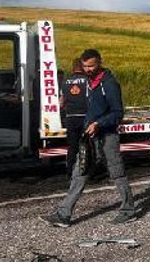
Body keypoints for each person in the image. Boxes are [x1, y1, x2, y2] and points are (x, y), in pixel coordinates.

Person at [40, 49, 136, 227]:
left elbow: (118, 113)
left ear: (100, 62)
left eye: (91, 66)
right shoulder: (90, 82)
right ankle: (64, 214)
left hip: (107, 135)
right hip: (90, 135)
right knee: (80, 170)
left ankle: (128, 210)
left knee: (116, 171)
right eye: (85, 66)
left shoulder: (109, 84)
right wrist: (87, 124)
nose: (88, 69)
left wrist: (98, 124)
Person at [61, 58, 87, 178]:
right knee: (87, 144)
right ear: (83, 67)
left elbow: (62, 102)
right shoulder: (88, 80)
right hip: (85, 116)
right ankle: (86, 170)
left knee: (72, 146)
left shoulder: (65, 82)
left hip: (70, 117)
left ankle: (69, 171)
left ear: (73, 67)